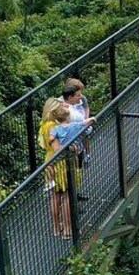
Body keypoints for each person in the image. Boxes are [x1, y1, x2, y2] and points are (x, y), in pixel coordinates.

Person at [38, 98, 71, 239]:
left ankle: (57, 229)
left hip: (48, 160)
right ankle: (68, 229)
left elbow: (44, 145)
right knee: (65, 194)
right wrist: (70, 145)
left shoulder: (44, 125)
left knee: (54, 195)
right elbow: (57, 148)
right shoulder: (52, 126)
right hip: (58, 162)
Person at [51, 104, 96, 207]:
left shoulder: (56, 129)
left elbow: (51, 138)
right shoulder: (73, 125)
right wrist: (92, 119)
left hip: (61, 155)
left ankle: (53, 181)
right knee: (73, 174)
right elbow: (84, 123)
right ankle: (73, 186)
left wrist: (54, 141)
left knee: (59, 175)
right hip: (73, 153)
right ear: (68, 117)